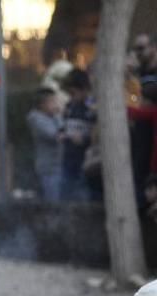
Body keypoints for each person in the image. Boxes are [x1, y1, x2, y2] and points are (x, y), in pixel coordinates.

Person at [59, 68, 95, 202]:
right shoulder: (69, 107)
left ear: (84, 90)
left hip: (86, 162)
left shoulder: (91, 108)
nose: (72, 97)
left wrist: (85, 140)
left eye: (74, 93)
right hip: (68, 160)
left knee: (83, 197)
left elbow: (96, 135)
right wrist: (62, 133)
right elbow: (63, 126)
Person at [26, 87, 64, 202]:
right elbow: (55, 135)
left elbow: (62, 129)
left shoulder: (52, 117)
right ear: (42, 104)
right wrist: (58, 114)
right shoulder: (35, 118)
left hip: (59, 166)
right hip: (49, 169)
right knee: (53, 203)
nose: (55, 105)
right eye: (52, 102)